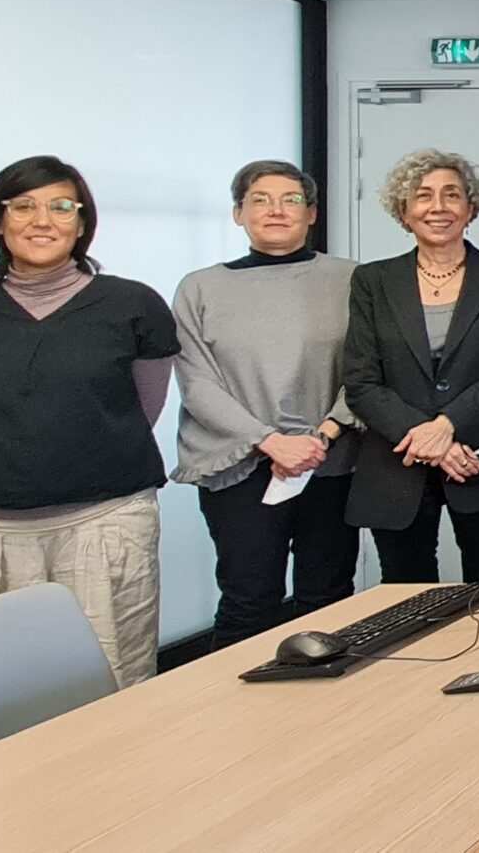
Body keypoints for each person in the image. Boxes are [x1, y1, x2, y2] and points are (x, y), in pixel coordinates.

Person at [0, 156, 177, 686]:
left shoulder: (133, 305)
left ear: (82, 223)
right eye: (24, 207)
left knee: (111, 677)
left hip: (101, 523)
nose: (43, 221)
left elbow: (142, 409)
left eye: (62, 207)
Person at [170, 160, 361, 648]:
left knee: (330, 598)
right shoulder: (200, 288)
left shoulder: (353, 280)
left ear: (311, 213)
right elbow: (197, 382)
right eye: (260, 200)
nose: (276, 210)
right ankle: (241, 721)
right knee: (248, 599)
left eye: (291, 200)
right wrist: (269, 441)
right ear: (238, 213)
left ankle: (333, 718)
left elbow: (368, 370)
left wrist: (321, 436)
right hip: (240, 467)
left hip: (329, 462)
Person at [342, 149, 479, 585]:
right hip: (397, 460)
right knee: (403, 596)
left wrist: (447, 424)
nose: (438, 206)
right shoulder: (373, 281)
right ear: (404, 211)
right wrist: (433, 440)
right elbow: (361, 381)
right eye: (423, 196)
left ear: (471, 208)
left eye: (452, 195)